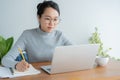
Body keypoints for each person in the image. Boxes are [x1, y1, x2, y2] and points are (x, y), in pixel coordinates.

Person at [2, 1, 72, 72]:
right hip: (36, 75)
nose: (52, 23)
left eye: (55, 19)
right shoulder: (27, 35)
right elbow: (5, 60)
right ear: (39, 17)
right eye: (47, 18)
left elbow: (78, 54)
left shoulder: (60, 35)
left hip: (56, 73)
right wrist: (16, 65)